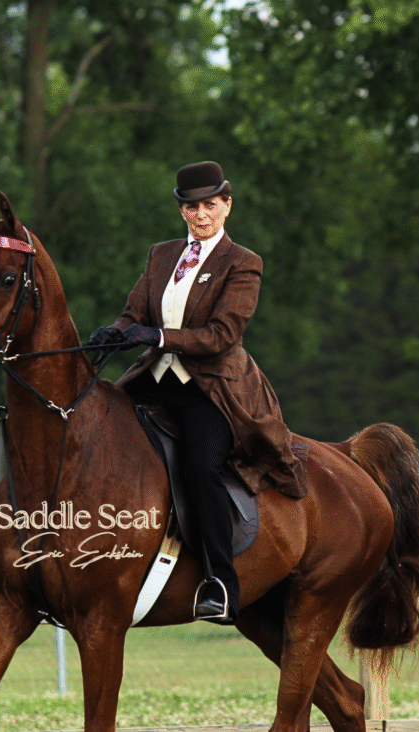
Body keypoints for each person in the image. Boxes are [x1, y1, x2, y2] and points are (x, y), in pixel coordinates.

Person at [88, 161, 304, 624]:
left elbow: (222, 335)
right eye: (191, 207)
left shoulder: (242, 262)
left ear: (227, 205)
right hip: (155, 379)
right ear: (181, 210)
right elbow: (135, 312)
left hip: (213, 389)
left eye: (209, 205)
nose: (201, 214)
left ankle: (220, 581)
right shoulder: (161, 255)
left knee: (199, 466)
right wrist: (116, 331)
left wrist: (157, 336)